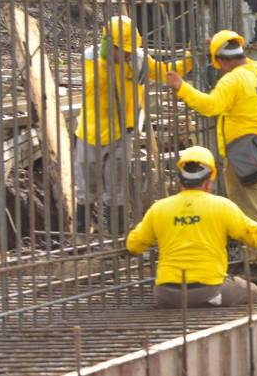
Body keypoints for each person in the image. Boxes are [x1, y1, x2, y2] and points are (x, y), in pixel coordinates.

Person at [126, 146, 257, 308]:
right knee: (252, 293)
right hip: (208, 291)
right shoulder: (221, 206)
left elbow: (134, 245)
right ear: (210, 180)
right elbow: (255, 234)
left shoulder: (159, 208)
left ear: (180, 180)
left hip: (166, 297)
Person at [167, 30, 257, 281]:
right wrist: (215, 42)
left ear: (222, 61)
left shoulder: (233, 80)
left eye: (217, 64)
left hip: (245, 156)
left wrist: (181, 87)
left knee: (251, 212)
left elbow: (211, 106)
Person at [75, 15, 192, 234]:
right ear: (109, 44)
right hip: (90, 134)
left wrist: (188, 59)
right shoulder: (91, 59)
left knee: (117, 188)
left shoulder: (138, 59)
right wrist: (105, 62)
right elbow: (94, 88)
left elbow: (164, 72)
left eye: (130, 49)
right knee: (86, 188)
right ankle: (82, 237)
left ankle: (115, 238)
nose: (128, 54)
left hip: (121, 134)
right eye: (123, 49)